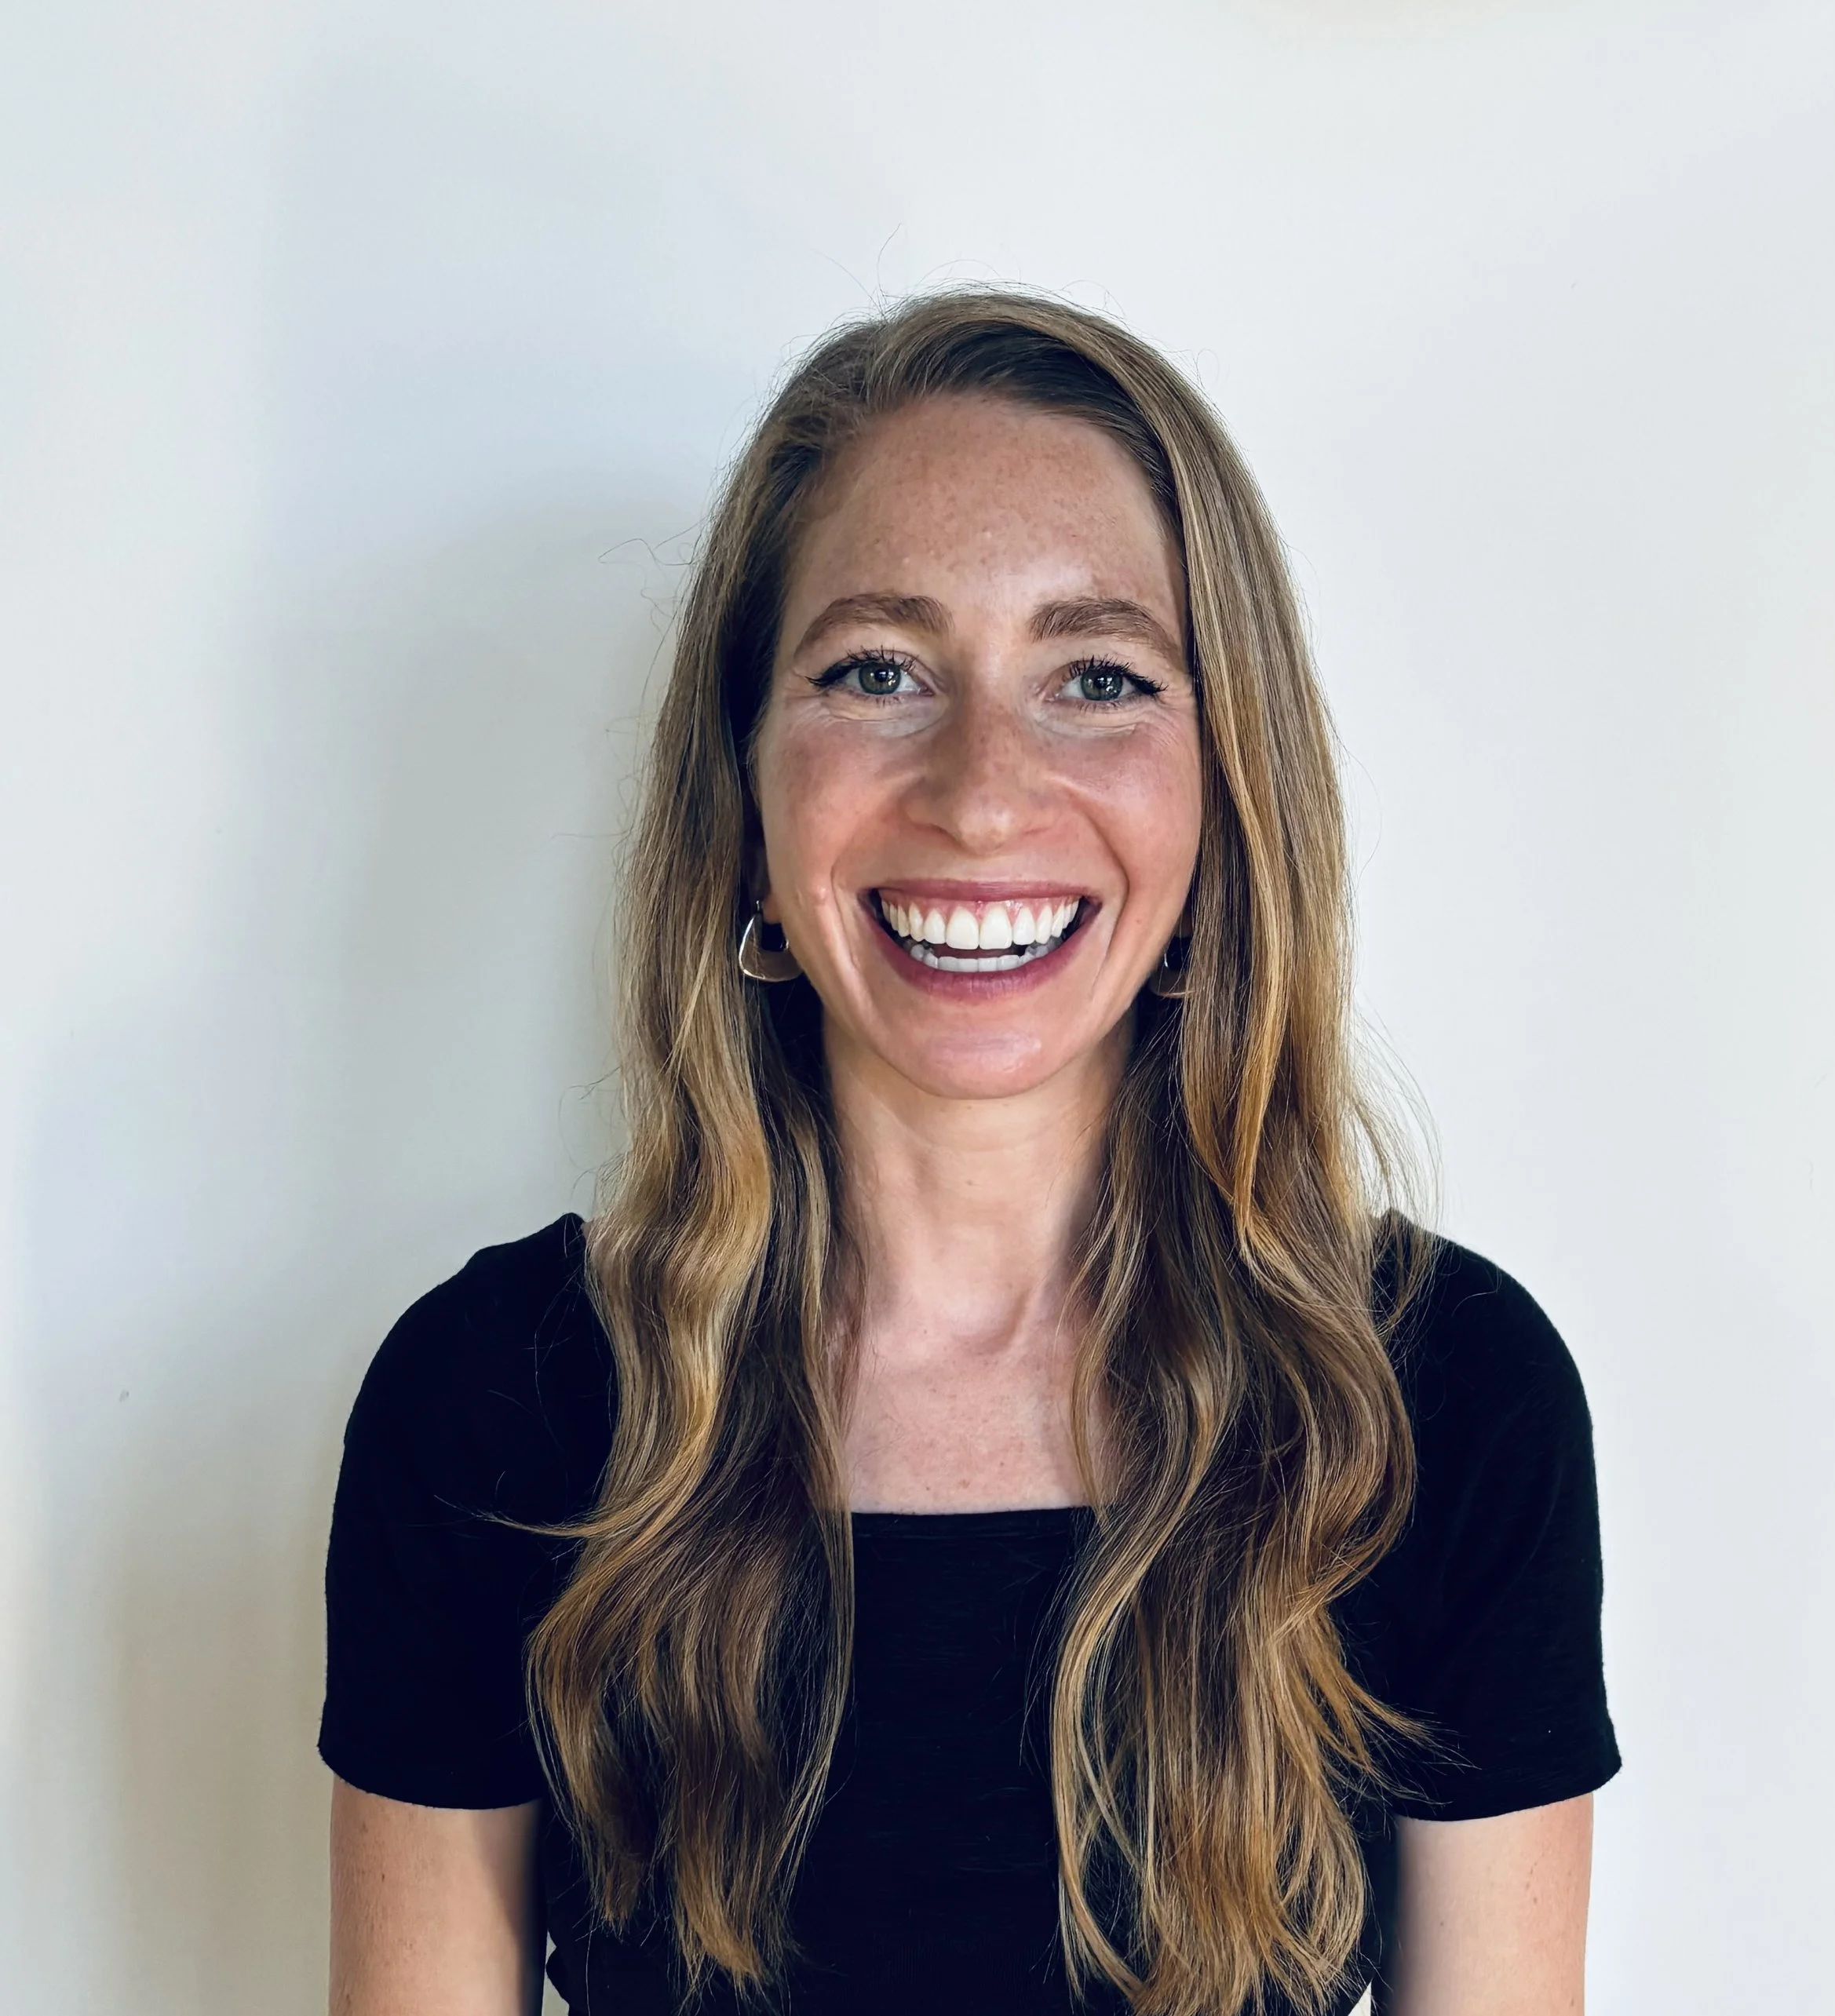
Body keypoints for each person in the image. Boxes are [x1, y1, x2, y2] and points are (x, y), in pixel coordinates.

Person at [320, 291, 1618, 2016]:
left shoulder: (1438, 1401)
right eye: (876, 671)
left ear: (1226, 787)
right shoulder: (495, 1401)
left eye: (1097, 676)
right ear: (748, 791)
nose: (982, 790)